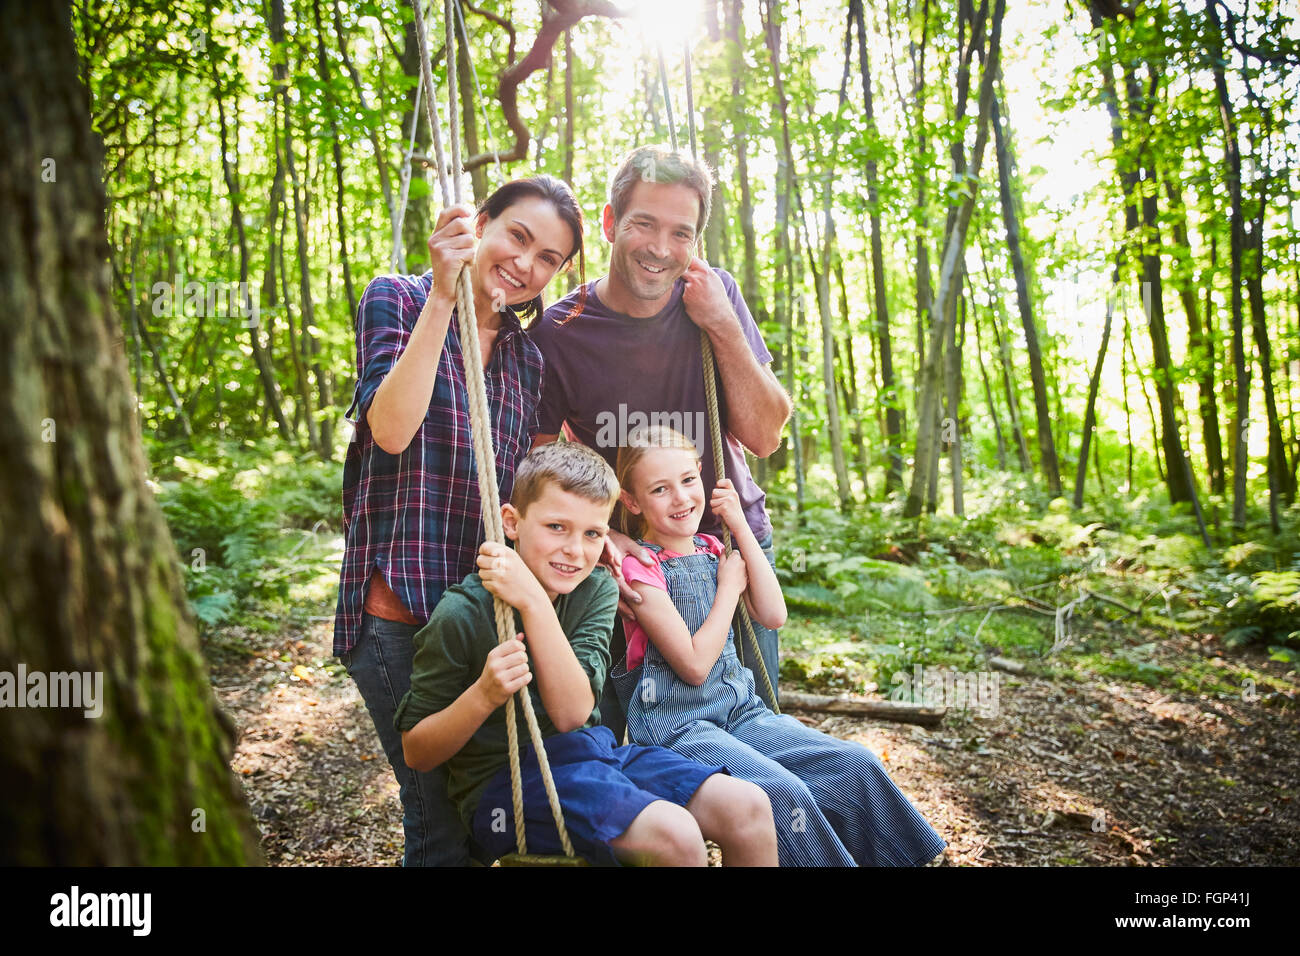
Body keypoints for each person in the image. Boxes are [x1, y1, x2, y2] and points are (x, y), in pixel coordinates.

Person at [333, 176, 586, 866]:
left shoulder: (528, 358)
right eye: (518, 237)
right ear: (480, 223)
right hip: (397, 605)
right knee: (437, 821)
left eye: (549, 259)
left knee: (481, 820)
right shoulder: (400, 296)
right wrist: (445, 296)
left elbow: (531, 492)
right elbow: (390, 429)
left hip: (475, 611)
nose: (526, 266)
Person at [395, 442, 778, 866]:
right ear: (512, 522)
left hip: (595, 754)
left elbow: (574, 716)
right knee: (675, 837)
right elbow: (417, 751)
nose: (575, 550)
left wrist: (534, 604)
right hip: (507, 789)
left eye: (593, 533)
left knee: (749, 806)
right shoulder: (462, 614)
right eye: (556, 526)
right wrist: (483, 694)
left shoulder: (595, 590)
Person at [528, 144, 792, 733]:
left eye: (681, 233)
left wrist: (721, 322)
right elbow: (542, 468)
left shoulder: (713, 295)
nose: (660, 249)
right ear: (608, 223)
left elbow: (765, 434)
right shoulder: (559, 332)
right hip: (633, 569)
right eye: (643, 223)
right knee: (661, 757)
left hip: (729, 549)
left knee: (762, 744)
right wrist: (604, 545)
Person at [612, 425, 948, 867]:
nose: (680, 498)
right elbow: (693, 667)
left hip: (740, 714)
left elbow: (773, 615)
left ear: (700, 473)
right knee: (783, 793)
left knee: (854, 766)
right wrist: (729, 589)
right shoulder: (640, 570)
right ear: (632, 502)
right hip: (678, 730)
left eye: (688, 480)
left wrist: (738, 525)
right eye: (660, 489)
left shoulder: (715, 548)